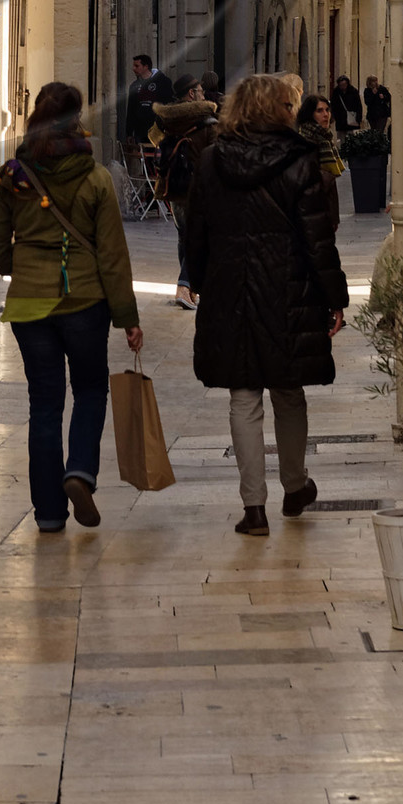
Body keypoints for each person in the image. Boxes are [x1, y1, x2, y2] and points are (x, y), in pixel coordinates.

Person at [185, 71, 349, 538]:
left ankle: (253, 507)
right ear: (278, 109)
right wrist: (333, 296)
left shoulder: (213, 161)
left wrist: (199, 280)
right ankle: (294, 486)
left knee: (244, 394)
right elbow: (317, 237)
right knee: (287, 388)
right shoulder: (300, 160)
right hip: (287, 289)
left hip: (230, 287)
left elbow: (197, 229)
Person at [0, 81, 143, 532]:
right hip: (85, 303)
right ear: (77, 121)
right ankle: (80, 472)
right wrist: (128, 318)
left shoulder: (13, 175)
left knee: (44, 404)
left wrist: (26, 268)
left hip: (30, 307)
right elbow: (112, 255)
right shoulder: (96, 179)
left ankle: (50, 513)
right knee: (90, 390)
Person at [153, 76, 218, 308]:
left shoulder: (166, 119)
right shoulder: (207, 121)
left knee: (185, 236)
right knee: (198, 238)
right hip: (199, 189)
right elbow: (216, 155)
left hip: (174, 187)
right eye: (200, 91)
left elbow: (154, 140)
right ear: (191, 94)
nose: (203, 95)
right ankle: (184, 286)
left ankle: (190, 290)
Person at [297, 91, 344, 232]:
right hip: (312, 209)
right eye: (319, 111)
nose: (326, 114)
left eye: (327, 110)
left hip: (324, 205)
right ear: (310, 114)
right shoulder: (307, 139)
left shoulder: (325, 138)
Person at [126, 53, 174, 146]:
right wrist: (129, 133)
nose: (134, 69)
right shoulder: (134, 86)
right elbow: (131, 110)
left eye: (137, 66)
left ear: (145, 67)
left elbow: (169, 105)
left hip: (158, 129)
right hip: (140, 131)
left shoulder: (163, 82)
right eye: (133, 66)